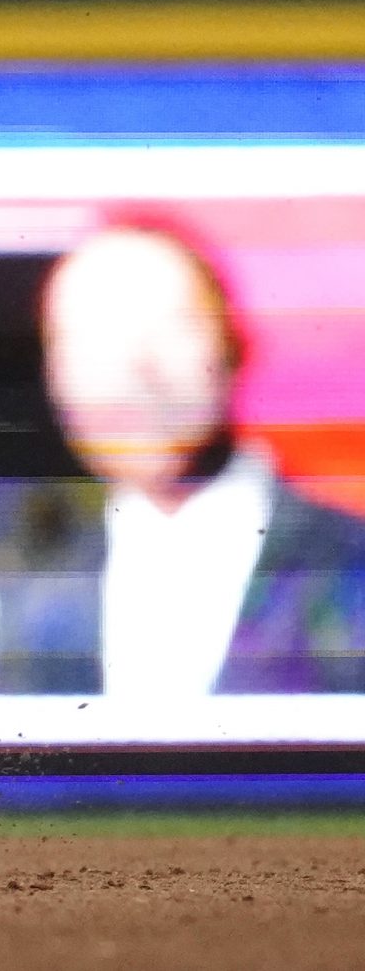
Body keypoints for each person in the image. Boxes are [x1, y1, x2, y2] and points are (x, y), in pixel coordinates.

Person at [22, 219, 365, 696]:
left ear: (231, 342)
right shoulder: (27, 580)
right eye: (90, 339)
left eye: (168, 325)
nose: (132, 365)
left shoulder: (350, 562)